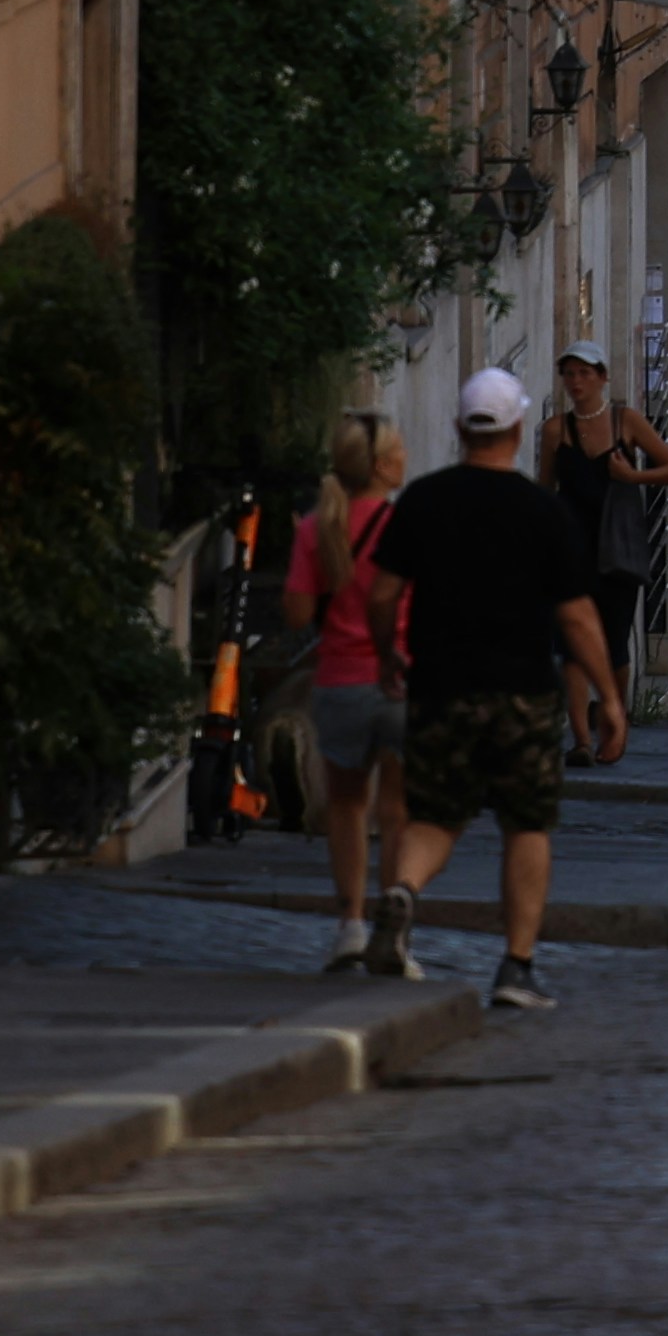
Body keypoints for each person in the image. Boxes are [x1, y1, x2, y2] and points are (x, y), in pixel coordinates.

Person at [373, 370, 626, 1008]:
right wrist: (609, 699)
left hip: (439, 685)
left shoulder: (423, 501)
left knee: (434, 817)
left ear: (460, 429)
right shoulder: (544, 511)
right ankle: (516, 967)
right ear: (516, 430)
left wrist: (388, 655)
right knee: (526, 826)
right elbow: (576, 616)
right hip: (522, 691)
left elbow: (381, 593)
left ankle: (402, 891)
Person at [278, 413, 409, 972]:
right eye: (398, 451)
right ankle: (396, 930)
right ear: (380, 466)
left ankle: (350, 925)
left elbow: (297, 615)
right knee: (399, 809)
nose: (404, 459)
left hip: (339, 682)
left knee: (347, 806)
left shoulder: (316, 528)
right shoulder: (406, 527)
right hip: (401, 679)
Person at [540, 339, 668, 690]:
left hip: (617, 549)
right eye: (570, 374)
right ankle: (582, 738)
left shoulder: (626, 422)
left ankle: (614, 715)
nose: (576, 382)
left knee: (615, 643)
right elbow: (545, 488)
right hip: (573, 549)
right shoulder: (555, 429)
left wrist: (634, 477)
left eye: (585, 373)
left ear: (602, 377)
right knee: (570, 644)